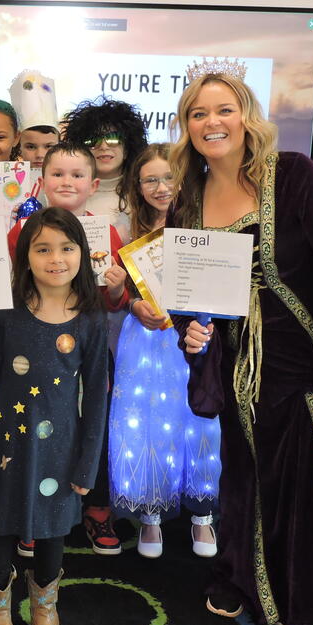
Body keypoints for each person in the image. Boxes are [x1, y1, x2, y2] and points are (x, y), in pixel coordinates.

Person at [169, 69, 313, 625]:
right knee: (241, 475)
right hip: (237, 362)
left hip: (305, 359)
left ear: (247, 116)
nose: (212, 123)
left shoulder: (295, 175)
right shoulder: (187, 200)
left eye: (224, 110)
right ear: (186, 127)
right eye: (198, 114)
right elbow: (188, 295)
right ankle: (237, 575)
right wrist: (190, 332)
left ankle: (294, 594)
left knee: (298, 479)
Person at [0, 206, 108, 625]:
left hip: (60, 447)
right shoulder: (9, 310)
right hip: (5, 441)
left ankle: (45, 611)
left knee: (53, 530)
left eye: (66, 248)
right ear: (25, 257)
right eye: (42, 249)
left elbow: (97, 396)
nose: (55, 258)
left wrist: (88, 463)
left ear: (82, 253)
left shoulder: (91, 318)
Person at [7, 142, 128, 557]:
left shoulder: (108, 232)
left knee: (95, 419)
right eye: (57, 173)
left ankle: (96, 508)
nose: (66, 182)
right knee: (38, 424)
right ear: (42, 181)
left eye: (77, 175)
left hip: (88, 346)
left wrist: (117, 289)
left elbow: (113, 303)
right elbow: (14, 288)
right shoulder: (22, 231)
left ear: (93, 185)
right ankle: (33, 508)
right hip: (37, 348)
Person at [109, 143, 221, 558]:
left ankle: (202, 515)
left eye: (169, 177)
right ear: (137, 186)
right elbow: (120, 294)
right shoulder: (128, 231)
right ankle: (151, 513)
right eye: (150, 180)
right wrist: (133, 305)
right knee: (149, 423)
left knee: (200, 420)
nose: (161, 187)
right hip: (147, 339)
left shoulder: (207, 222)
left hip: (195, 337)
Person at [60, 98, 148, 245]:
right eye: (92, 140)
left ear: (127, 149)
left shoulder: (144, 194)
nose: (103, 146)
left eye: (113, 138)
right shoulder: (65, 192)